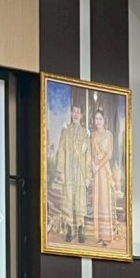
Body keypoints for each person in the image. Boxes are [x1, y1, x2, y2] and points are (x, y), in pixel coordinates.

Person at [54, 101, 89, 244]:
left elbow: (88, 156)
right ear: (71, 113)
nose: (75, 114)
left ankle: (80, 229)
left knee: (80, 199)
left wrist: (88, 176)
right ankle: (69, 229)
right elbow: (61, 151)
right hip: (68, 170)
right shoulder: (65, 131)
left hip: (80, 171)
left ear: (81, 115)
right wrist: (61, 171)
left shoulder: (85, 134)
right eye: (74, 111)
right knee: (68, 199)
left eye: (78, 112)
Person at [90, 108, 117, 247]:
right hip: (96, 172)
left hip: (104, 170)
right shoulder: (93, 136)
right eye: (96, 119)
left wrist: (98, 165)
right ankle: (99, 235)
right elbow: (90, 153)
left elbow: (109, 155)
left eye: (100, 118)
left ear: (104, 120)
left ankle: (106, 236)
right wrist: (92, 165)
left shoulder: (109, 135)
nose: (98, 121)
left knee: (104, 201)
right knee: (97, 200)